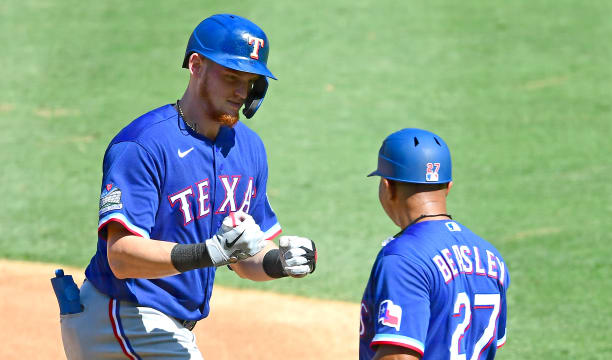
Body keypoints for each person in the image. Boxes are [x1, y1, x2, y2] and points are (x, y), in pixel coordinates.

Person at [58, 14, 317, 359]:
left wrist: (279, 262)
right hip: (122, 316)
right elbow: (120, 256)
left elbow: (243, 255)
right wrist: (210, 252)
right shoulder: (144, 144)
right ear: (196, 65)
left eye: (251, 81)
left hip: (163, 326)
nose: (241, 92)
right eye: (230, 77)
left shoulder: (248, 148)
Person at [359, 128, 509, 360]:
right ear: (448, 186)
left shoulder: (403, 259)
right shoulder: (491, 257)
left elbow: (399, 357)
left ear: (388, 187)